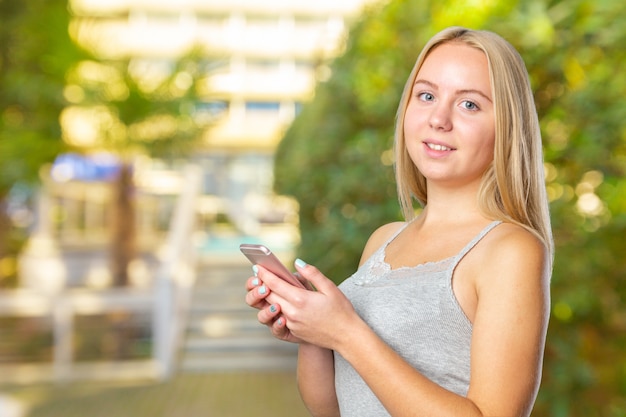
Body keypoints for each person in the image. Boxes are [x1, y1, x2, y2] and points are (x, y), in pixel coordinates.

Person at [245, 26, 553, 417]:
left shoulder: (510, 250)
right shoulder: (383, 241)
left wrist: (345, 332)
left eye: (469, 104)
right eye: (426, 96)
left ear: (506, 127)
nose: (438, 119)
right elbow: (332, 407)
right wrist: (313, 331)